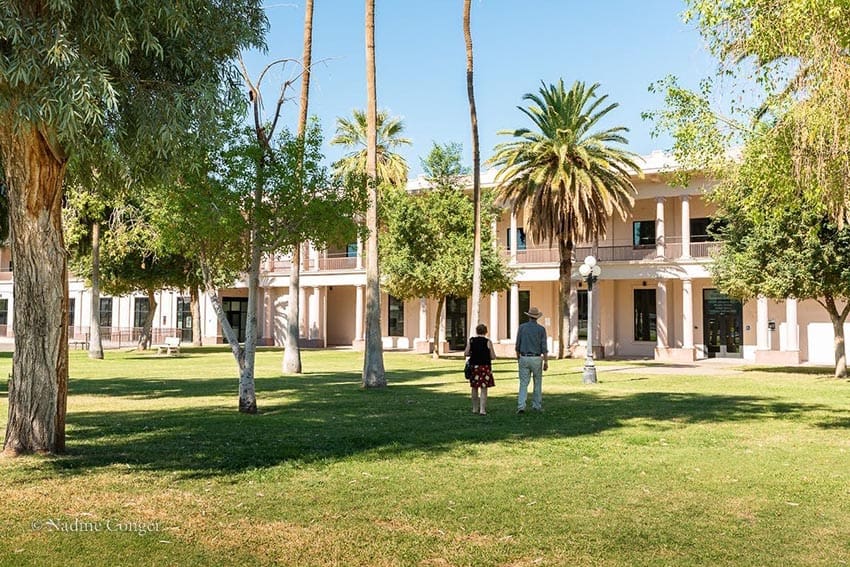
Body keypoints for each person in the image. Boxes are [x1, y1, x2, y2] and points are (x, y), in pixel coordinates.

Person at [514, 306, 549, 413]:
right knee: (537, 382)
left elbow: (517, 345)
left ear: (529, 316)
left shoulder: (522, 327)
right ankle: (537, 405)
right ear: (537, 317)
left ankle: (521, 406)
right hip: (536, 357)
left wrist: (518, 357)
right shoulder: (541, 329)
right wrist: (546, 361)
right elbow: (544, 347)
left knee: (523, 383)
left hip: (524, 357)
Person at [464, 323, 497, 415]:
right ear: (486, 332)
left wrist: (473, 353)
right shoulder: (488, 342)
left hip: (474, 367)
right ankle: (482, 409)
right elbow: (493, 356)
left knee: (474, 387)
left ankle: (475, 408)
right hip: (485, 367)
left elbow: (466, 353)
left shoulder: (471, 341)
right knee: (484, 388)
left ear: (476, 331)